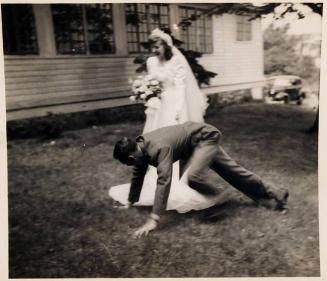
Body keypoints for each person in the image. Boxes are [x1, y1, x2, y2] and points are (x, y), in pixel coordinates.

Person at [109, 28, 223, 213]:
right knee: (147, 149)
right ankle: (149, 186)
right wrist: (148, 95)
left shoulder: (176, 60)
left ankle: (182, 182)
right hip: (158, 107)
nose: (154, 50)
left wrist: (177, 111)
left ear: (165, 45)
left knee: (170, 147)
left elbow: (180, 87)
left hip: (174, 106)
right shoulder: (151, 61)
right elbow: (151, 83)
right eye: (152, 47)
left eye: (157, 46)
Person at [113, 121, 289, 238]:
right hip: (191, 146)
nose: (130, 165)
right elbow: (138, 175)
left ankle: (220, 199)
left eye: (128, 162)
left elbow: (164, 180)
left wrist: (154, 219)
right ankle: (276, 196)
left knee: (195, 177)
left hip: (205, 138)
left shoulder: (158, 148)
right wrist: (130, 201)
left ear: (132, 156)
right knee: (235, 173)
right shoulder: (139, 149)